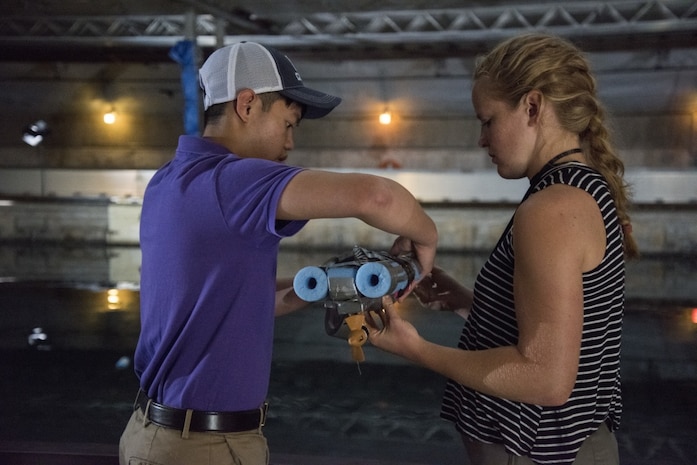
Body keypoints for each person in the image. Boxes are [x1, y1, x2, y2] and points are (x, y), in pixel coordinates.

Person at [119, 41, 438, 465]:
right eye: (288, 124)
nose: (290, 143)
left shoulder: (168, 180)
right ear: (247, 104)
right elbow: (377, 197)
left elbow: (225, 303)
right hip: (200, 447)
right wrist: (427, 239)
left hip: (158, 433)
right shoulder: (232, 181)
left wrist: (322, 287)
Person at [367, 33, 639, 465]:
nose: (481, 139)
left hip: (537, 453)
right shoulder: (580, 188)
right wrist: (472, 304)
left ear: (532, 107)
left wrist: (415, 348)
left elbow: (546, 378)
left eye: (488, 120)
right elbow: (566, 334)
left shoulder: (551, 208)